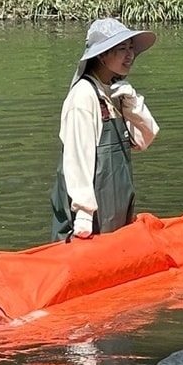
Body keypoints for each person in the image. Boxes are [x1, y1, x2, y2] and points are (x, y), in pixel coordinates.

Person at [51, 18, 160, 240]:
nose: (130, 55)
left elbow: (144, 140)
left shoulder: (117, 92)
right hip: (91, 215)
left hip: (118, 204)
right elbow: (77, 157)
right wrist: (84, 211)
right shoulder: (83, 95)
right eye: (122, 49)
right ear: (101, 55)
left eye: (131, 48)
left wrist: (133, 103)